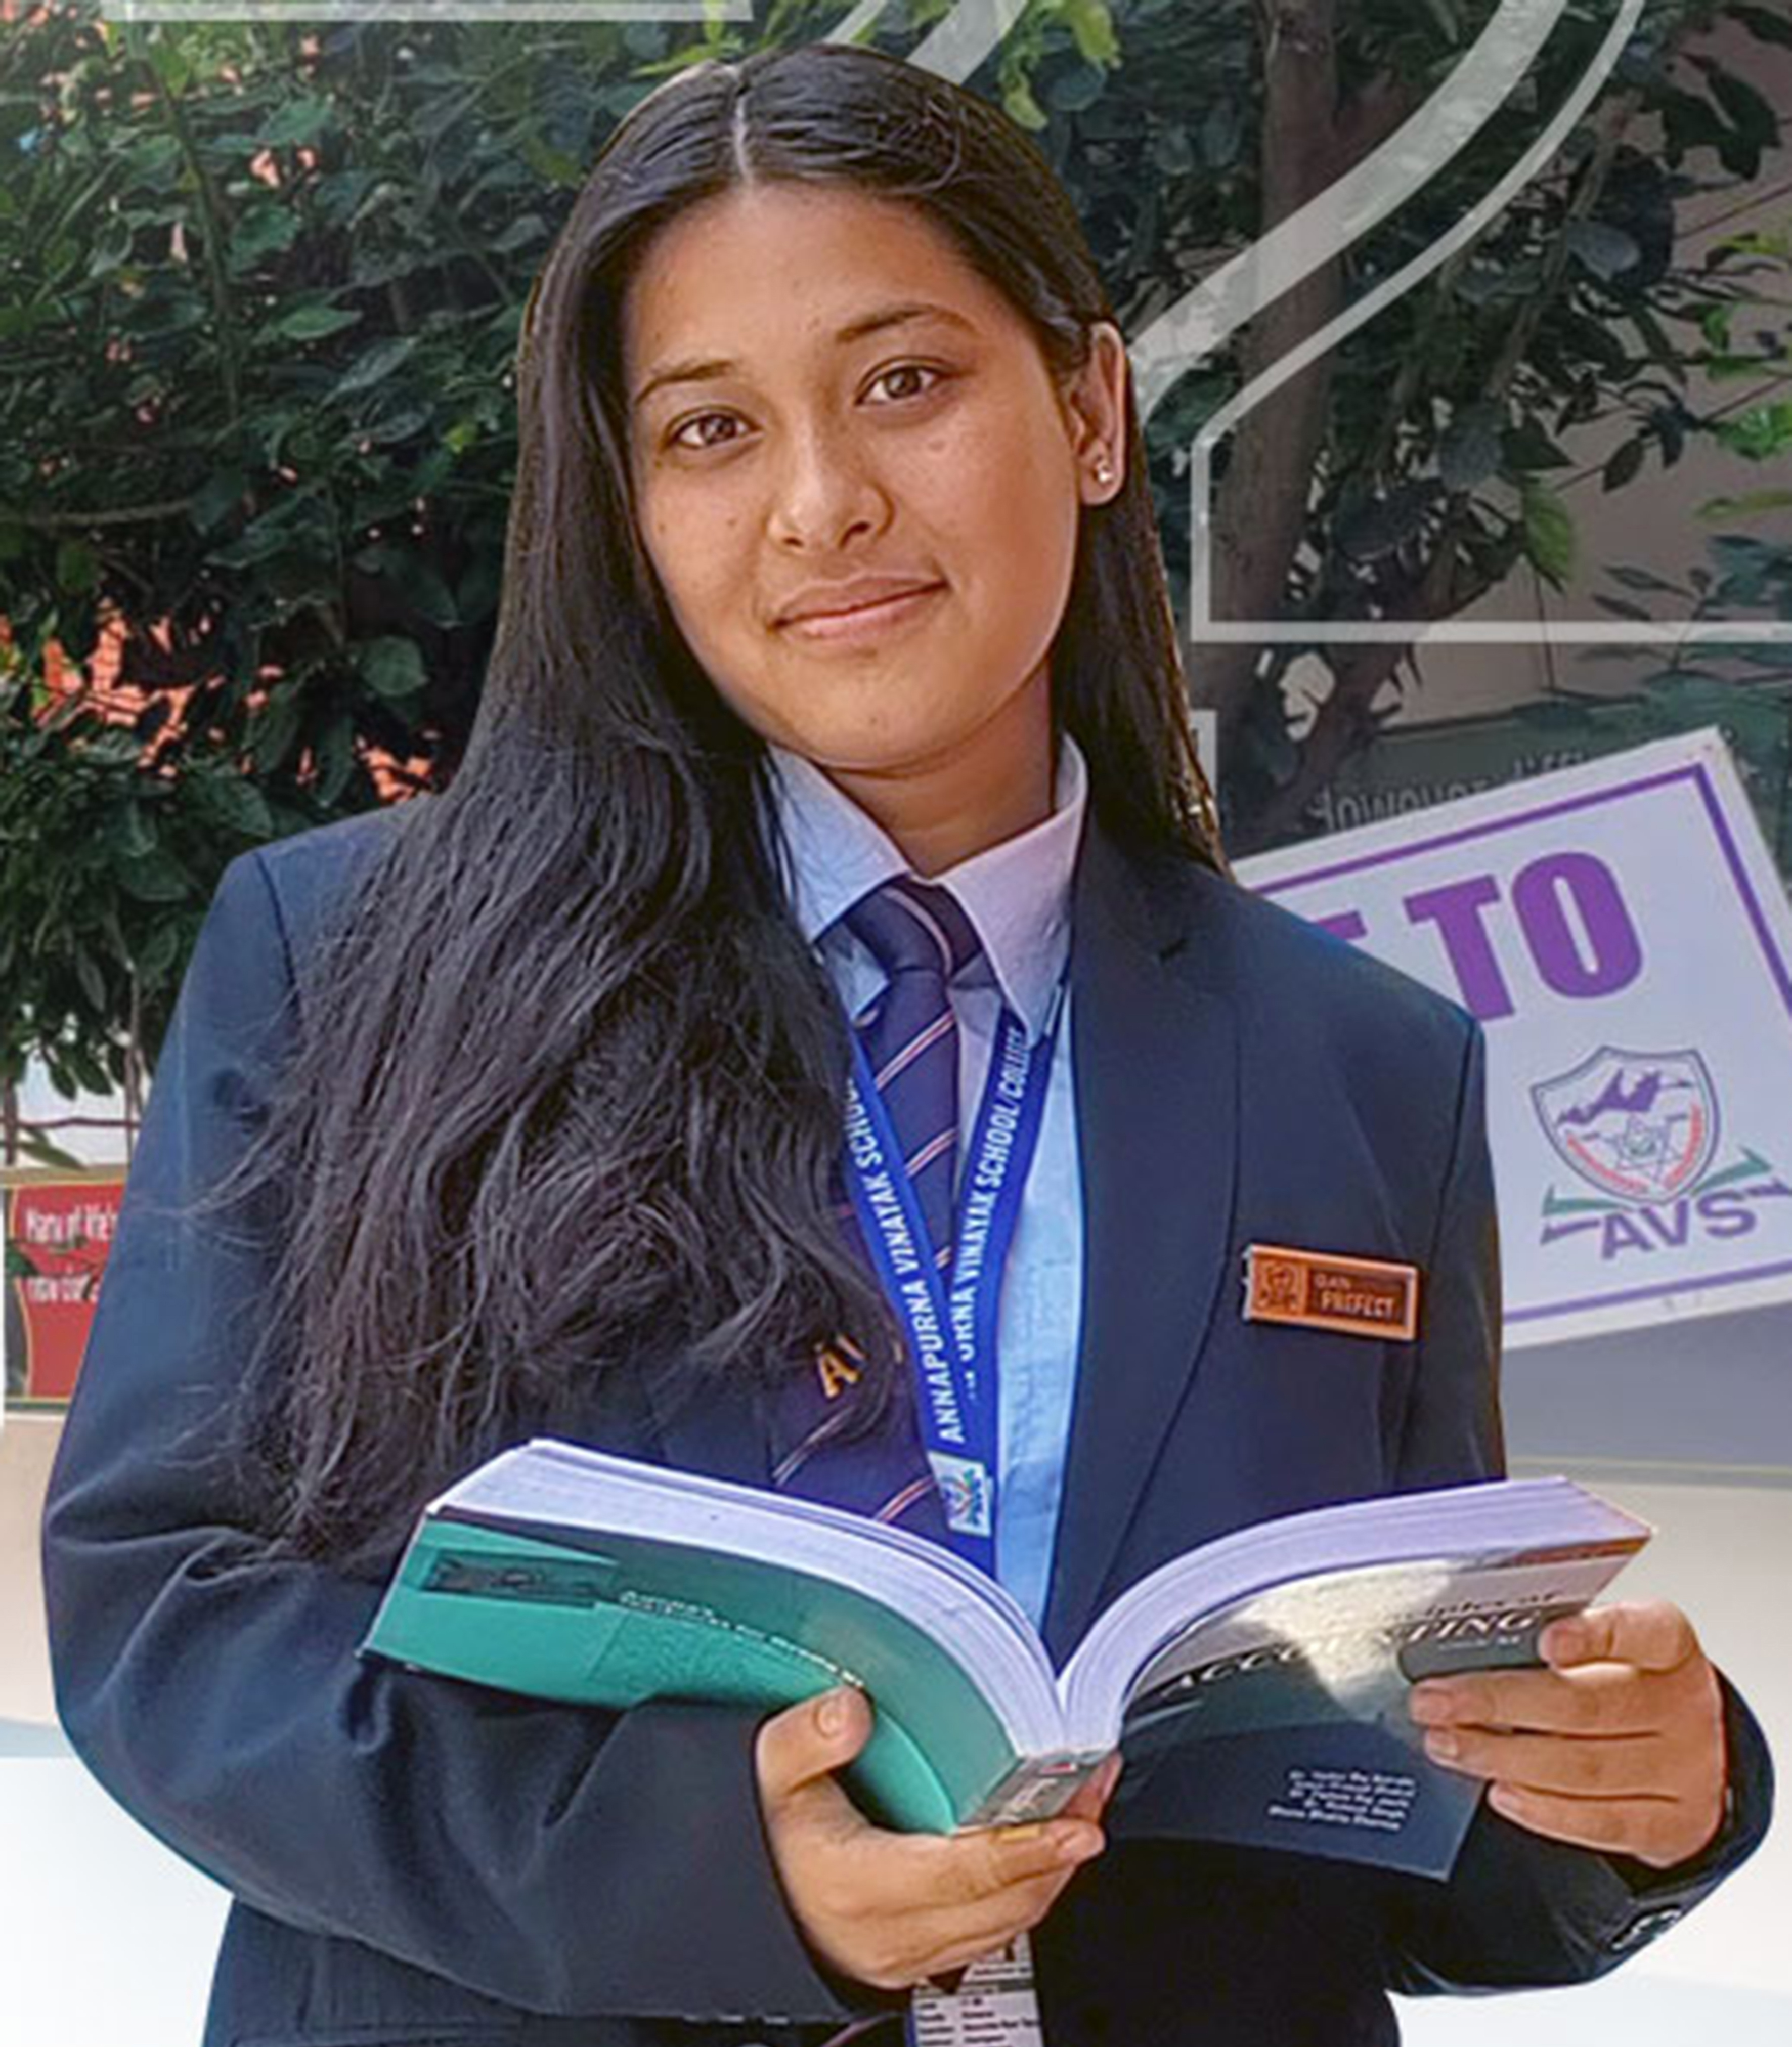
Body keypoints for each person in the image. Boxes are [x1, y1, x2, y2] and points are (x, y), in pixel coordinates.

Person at [41, 39, 1770, 2047]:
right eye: (707, 431)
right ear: (630, 508)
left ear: (1093, 408)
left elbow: (1366, 1797)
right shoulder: (346, 962)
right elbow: (167, 1615)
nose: (821, 503)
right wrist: (698, 1860)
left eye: (904, 381)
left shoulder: (1362, 1064)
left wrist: (1637, 1796)